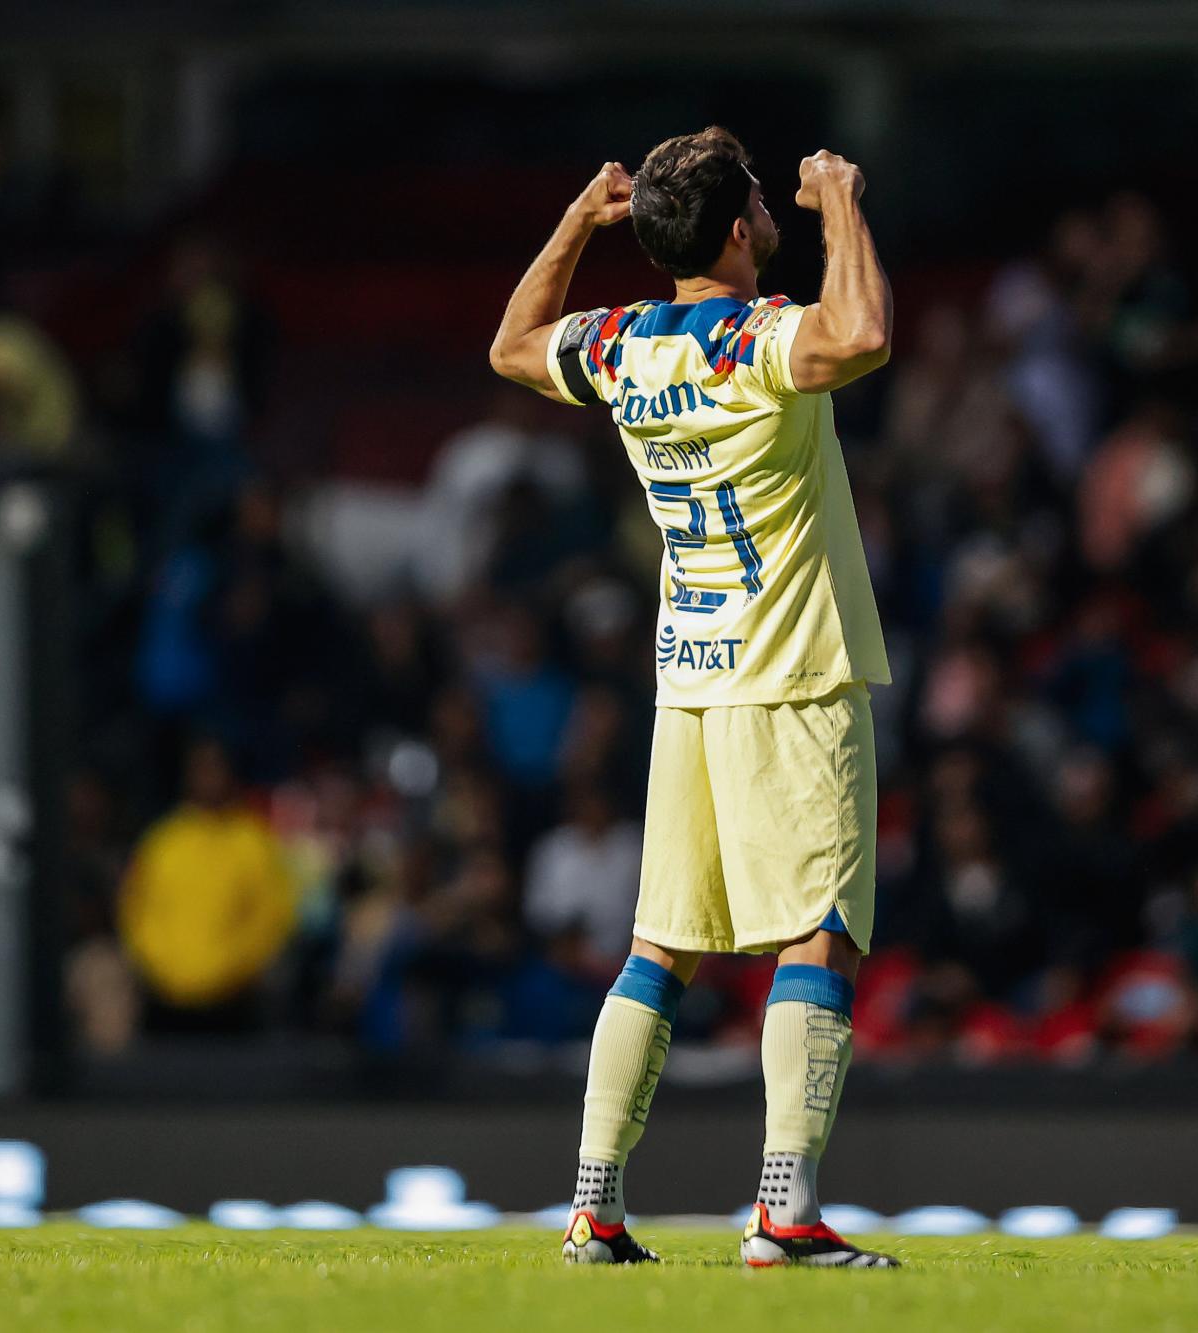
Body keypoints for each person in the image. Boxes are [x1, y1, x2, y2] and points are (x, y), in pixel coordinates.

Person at [490, 128, 895, 1267]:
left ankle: (593, 1206)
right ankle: (783, 1212)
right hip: (794, 672)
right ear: (736, 233)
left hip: (692, 679)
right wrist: (841, 202)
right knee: (819, 934)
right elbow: (862, 332)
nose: (771, 207)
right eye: (758, 198)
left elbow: (512, 345)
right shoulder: (757, 341)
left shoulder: (623, 345)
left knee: (659, 946)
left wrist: (576, 222)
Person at [118, 738, 296, 1034]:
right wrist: (162, 967)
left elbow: (271, 918)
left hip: (235, 1002)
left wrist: (231, 969)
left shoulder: (254, 842)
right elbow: (137, 910)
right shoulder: (163, 841)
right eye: (200, 770)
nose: (208, 778)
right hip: (165, 998)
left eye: (215, 769)